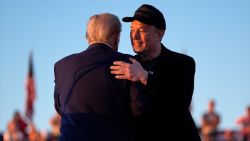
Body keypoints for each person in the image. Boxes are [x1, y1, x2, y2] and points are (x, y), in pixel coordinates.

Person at [110, 4, 201, 141]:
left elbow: (180, 102)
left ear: (160, 34)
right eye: (132, 30)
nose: (134, 36)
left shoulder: (183, 63)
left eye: (141, 30)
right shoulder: (127, 65)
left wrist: (145, 77)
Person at [54, 13, 135, 141]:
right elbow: (141, 109)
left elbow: (60, 107)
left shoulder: (62, 66)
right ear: (116, 36)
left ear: (88, 36)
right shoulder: (129, 64)